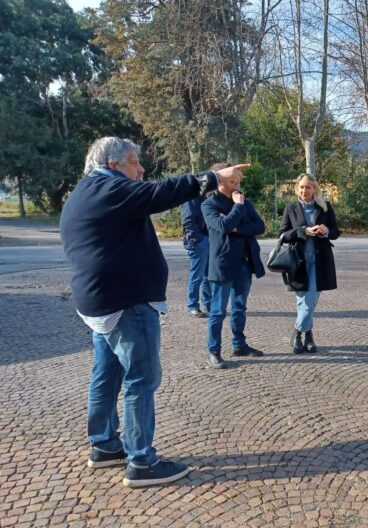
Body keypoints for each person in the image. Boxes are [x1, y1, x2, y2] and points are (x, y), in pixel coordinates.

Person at [60, 136, 247, 487]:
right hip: (126, 302)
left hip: (101, 303)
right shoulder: (109, 188)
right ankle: (141, 462)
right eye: (134, 162)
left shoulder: (86, 191)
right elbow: (159, 194)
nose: (141, 168)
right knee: (141, 380)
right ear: (113, 164)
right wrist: (212, 177)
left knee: (106, 374)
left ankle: (103, 446)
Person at [202, 170, 266, 368]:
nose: (237, 185)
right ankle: (214, 351)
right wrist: (237, 208)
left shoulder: (244, 201)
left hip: (245, 264)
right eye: (232, 181)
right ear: (220, 182)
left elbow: (260, 227)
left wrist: (239, 227)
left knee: (239, 308)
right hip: (222, 265)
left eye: (238, 181)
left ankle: (239, 345)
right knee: (218, 311)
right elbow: (224, 226)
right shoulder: (209, 204)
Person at [279, 174, 340, 354]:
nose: (304, 191)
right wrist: (302, 231)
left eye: (308, 187)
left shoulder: (325, 207)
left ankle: (298, 333)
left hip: (320, 261)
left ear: (315, 189)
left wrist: (327, 230)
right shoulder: (291, 207)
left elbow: (336, 232)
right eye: (302, 187)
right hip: (298, 262)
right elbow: (283, 234)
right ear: (297, 189)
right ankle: (308, 335)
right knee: (303, 300)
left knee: (310, 299)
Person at [181, 195, 211, 317]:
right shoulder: (191, 199)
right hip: (198, 242)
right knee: (197, 276)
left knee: (208, 275)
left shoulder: (205, 198)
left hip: (206, 240)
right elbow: (187, 221)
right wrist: (198, 239)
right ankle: (192, 305)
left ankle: (209, 304)